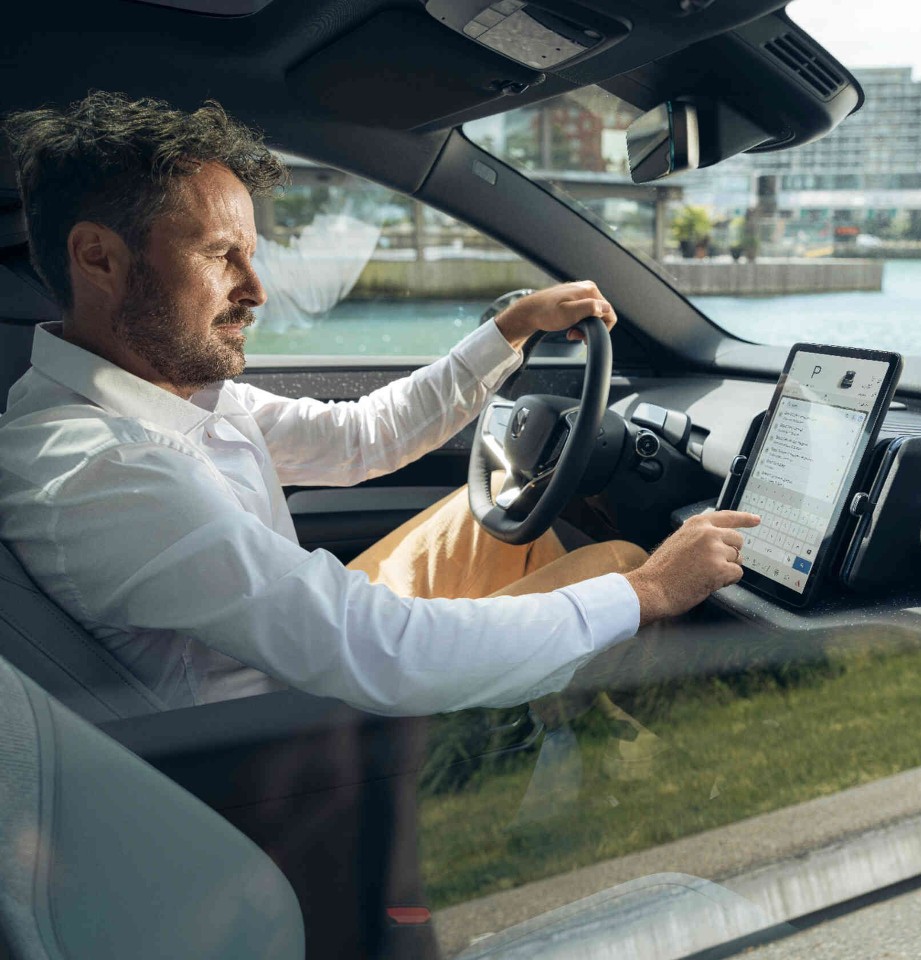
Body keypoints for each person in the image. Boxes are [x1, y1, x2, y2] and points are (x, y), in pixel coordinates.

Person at [0, 91, 759, 715]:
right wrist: (650, 589)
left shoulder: (170, 394)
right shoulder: (104, 471)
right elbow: (381, 652)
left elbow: (363, 437)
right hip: (298, 741)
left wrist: (510, 329)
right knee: (624, 567)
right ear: (98, 257)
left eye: (253, 257)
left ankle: (546, 716)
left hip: (309, 665)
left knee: (484, 517)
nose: (256, 291)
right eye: (219, 255)